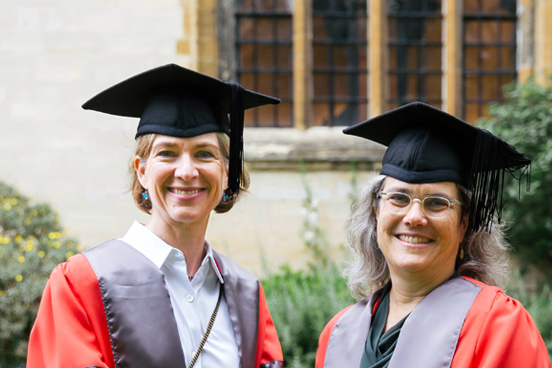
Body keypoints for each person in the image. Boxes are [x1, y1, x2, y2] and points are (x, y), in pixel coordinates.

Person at [27, 64, 284, 368]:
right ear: (142, 171)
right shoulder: (82, 283)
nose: (187, 172)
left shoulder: (246, 295)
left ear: (226, 172)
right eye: (167, 153)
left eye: (204, 153)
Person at [315, 102, 551, 368]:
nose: (414, 217)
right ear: (376, 211)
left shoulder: (498, 325)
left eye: (437, 203)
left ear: (464, 223)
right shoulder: (338, 333)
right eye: (398, 198)